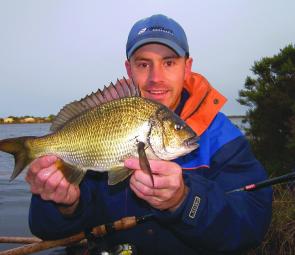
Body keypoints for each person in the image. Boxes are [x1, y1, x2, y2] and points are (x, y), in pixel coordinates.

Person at [26, 14, 272, 254]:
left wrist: (185, 200)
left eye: (169, 62)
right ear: (129, 69)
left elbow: (252, 225)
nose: (156, 78)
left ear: (187, 67)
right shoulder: (97, 123)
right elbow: (45, 228)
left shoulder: (224, 139)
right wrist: (65, 205)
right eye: (143, 64)